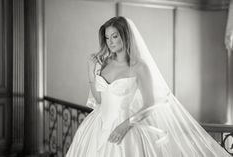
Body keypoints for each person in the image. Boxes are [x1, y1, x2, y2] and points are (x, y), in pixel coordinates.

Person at [65, 16, 231, 157]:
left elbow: (150, 105)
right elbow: (99, 100)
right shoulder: (105, 63)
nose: (110, 42)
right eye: (107, 38)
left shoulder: (139, 67)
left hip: (125, 128)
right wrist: (90, 74)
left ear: (125, 36)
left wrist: (124, 126)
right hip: (97, 126)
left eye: (114, 36)